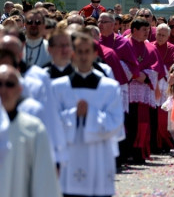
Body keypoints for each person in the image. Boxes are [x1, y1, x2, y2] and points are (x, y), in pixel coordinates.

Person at [51, 33, 124, 197]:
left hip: (99, 153)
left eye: (87, 52)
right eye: (80, 52)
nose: (83, 56)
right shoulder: (58, 87)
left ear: (94, 54)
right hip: (70, 154)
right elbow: (52, 123)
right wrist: (73, 114)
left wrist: (90, 114)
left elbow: (116, 122)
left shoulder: (110, 87)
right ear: (73, 54)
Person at [0, 64, 61, 197]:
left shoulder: (34, 129)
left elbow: (44, 180)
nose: (3, 89)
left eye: (9, 84)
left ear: (19, 89)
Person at [126, 18, 163, 163]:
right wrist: (135, 74)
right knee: (128, 123)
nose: (147, 33)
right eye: (144, 30)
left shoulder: (151, 48)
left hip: (144, 91)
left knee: (143, 123)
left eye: (148, 30)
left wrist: (144, 76)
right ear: (134, 30)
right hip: (128, 91)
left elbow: (156, 67)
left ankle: (139, 153)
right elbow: (122, 63)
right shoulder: (125, 44)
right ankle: (127, 152)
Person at [153, 24, 174, 152]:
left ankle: (166, 143)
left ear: (168, 36)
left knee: (164, 117)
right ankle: (155, 144)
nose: (161, 37)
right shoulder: (150, 46)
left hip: (167, 84)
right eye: (159, 34)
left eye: (163, 35)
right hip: (153, 85)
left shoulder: (173, 49)